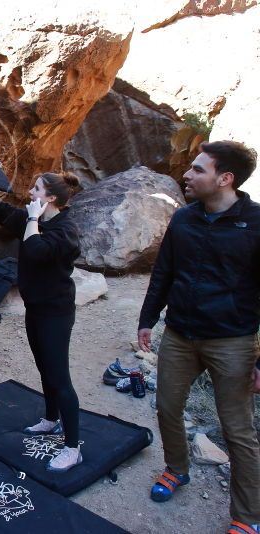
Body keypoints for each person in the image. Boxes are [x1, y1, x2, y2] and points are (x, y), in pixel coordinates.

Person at [137, 140, 260, 534]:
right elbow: (164, 271)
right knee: (167, 407)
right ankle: (177, 469)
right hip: (179, 334)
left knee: (237, 430)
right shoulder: (185, 218)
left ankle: (247, 516)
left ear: (225, 179)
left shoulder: (256, 223)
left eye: (198, 170)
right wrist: (147, 317)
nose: (187, 175)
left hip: (233, 342)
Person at [0, 170, 83, 472]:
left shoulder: (65, 230)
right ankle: (50, 419)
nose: (30, 193)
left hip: (56, 313)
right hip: (36, 308)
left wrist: (33, 219)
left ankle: (73, 449)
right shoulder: (38, 221)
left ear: (51, 198)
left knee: (59, 377)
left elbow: (35, 249)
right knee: (44, 367)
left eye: (36, 189)